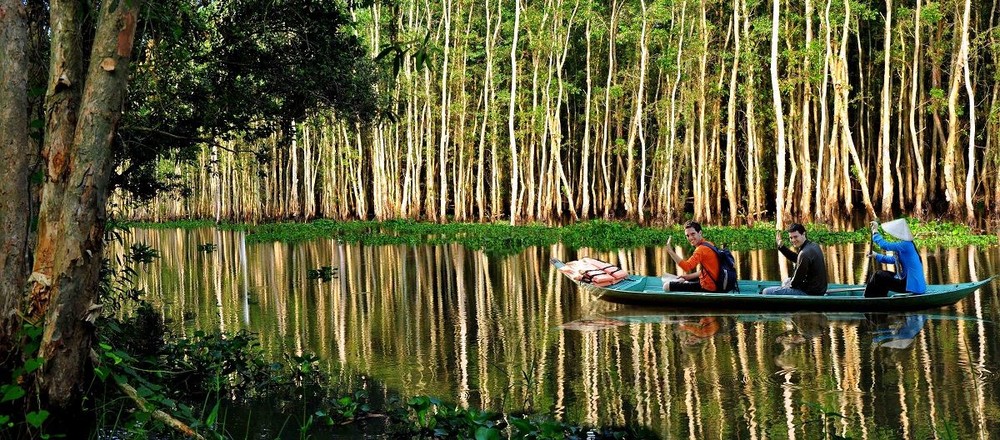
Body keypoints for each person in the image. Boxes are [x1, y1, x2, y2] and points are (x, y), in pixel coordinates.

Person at [864, 219, 927, 297]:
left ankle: (869, 298)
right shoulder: (906, 245)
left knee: (878, 275)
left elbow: (885, 246)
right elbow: (892, 260)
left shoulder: (906, 244)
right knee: (881, 275)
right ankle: (877, 297)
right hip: (907, 283)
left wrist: (875, 232)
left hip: (911, 286)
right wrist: (875, 255)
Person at [762, 223, 828, 296]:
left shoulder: (804, 253)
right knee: (786, 281)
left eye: (795, 237)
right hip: (819, 289)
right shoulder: (813, 245)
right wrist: (781, 247)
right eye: (791, 237)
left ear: (803, 234)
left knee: (766, 292)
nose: (793, 240)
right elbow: (798, 259)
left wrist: (787, 287)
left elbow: (796, 281)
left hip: (810, 292)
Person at [663, 221, 722, 292]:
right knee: (683, 279)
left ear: (700, 233)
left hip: (708, 287)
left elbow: (686, 267)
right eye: (687, 235)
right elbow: (706, 270)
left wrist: (670, 251)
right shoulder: (709, 244)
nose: (690, 238)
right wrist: (687, 277)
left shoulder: (701, 249)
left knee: (666, 286)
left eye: (693, 234)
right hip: (714, 283)